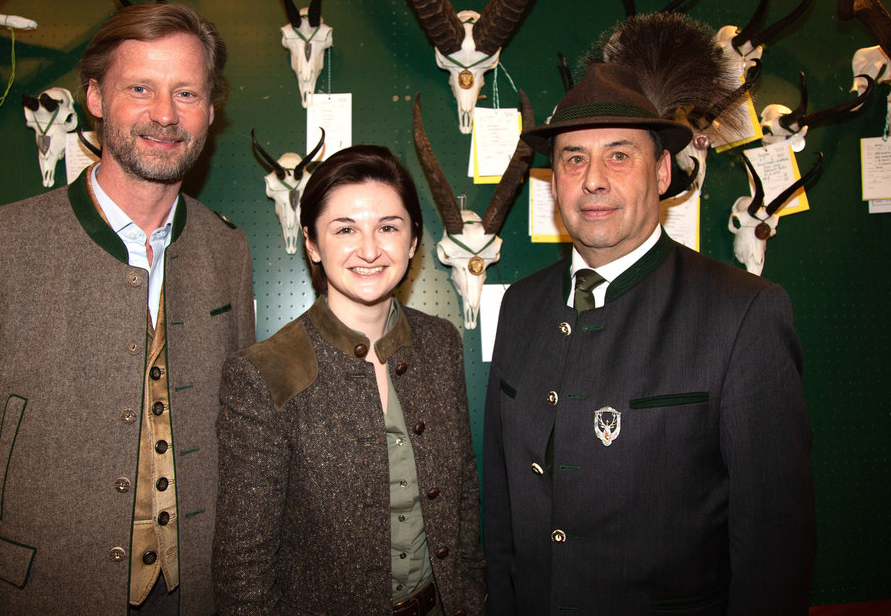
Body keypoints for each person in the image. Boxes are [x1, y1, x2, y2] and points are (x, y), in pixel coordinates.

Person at [0, 2, 255, 614]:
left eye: (186, 93)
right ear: (96, 98)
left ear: (210, 110)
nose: (164, 115)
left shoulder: (228, 250)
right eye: (140, 89)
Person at [482, 63, 816, 614]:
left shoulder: (742, 312)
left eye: (619, 155)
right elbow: (502, 503)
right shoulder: (519, 306)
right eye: (573, 159)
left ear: (662, 172)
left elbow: (774, 544)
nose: (593, 179)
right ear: (555, 179)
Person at [213, 146, 486, 615]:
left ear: (414, 239)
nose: (369, 249)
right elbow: (244, 564)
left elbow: (462, 506)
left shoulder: (440, 343)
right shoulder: (264, 372)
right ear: (313, 244)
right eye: (345, 229)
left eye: (388, 227)